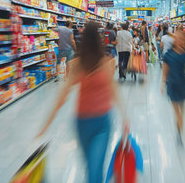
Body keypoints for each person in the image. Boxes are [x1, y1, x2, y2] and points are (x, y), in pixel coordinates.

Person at [38, 22, 126, 183]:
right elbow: (115, 92)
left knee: (94, 169)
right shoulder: (106, 61)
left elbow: (61, 97)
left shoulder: (79, 64)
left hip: (84, 121)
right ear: (99, 39)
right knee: (91, 166)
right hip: (99, 120)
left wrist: (46, 124)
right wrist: (125, 119)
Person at [161, 30, 185, 146]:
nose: (179, 40)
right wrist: (162, 83)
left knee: (182, 111)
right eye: (177, 38)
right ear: (174, 40)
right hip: (172, 85)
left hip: (183, 85)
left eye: (182, 39)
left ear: (184, 41)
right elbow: (165, 70)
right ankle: (179, 133)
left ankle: (179, 131)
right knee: (178, 112)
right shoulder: (168, 54)